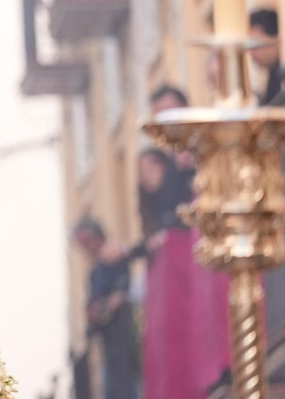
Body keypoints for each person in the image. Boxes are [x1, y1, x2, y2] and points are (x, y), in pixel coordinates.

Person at [136, 149, 228, 399]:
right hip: (168, 288)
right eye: (142, 172)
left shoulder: (184, 187)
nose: (146, 177)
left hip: (184, 279)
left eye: (150, 169)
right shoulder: (155, 211)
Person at [74, 217, 142, 399]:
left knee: (126, 383)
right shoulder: (96, 270)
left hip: (123, 333)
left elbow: (119, 294)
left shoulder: (115, 259)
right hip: (108, 339)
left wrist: (107, 306)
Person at [249, 8, 285, 106]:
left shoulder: (284, 75)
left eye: (257, 44)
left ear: (275, 40)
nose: (252, 52)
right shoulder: (272, 73)